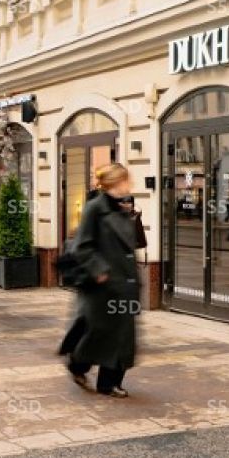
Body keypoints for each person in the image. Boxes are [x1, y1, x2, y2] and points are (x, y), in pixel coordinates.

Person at [65, 163, 141, 397]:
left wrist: (132, 218)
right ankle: (77, 365)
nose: (129, 184)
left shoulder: (122, 206)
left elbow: (132, 243)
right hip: (103, 286)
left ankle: (109, 383)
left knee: (123, 336)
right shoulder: (95, 208)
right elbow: (82, 246)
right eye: (126, 180)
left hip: (124, 283)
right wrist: (100, 271)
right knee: (97, 334)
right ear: (115, 182)